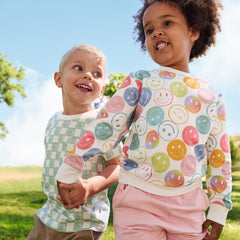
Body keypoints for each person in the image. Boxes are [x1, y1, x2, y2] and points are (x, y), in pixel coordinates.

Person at [57, 1, 232, 239]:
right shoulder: (139, 81)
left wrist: (220, 206)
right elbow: (106, 127)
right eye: (149, 30)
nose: (156, 32)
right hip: (137, 201)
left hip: (189, 204)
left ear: (193, 30)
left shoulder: (212, 96)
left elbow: (219, 156)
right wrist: (71, 166)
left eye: (167, 23)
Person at [26, 44, 121, 240]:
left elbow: (117, 165)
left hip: (84, 222)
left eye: (97, 73)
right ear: (58, 79)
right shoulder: (53, 120)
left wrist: (90, 186)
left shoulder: (101, 123)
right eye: (79, 68)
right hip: (48, 216)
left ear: (102, 89)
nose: (88, 75)